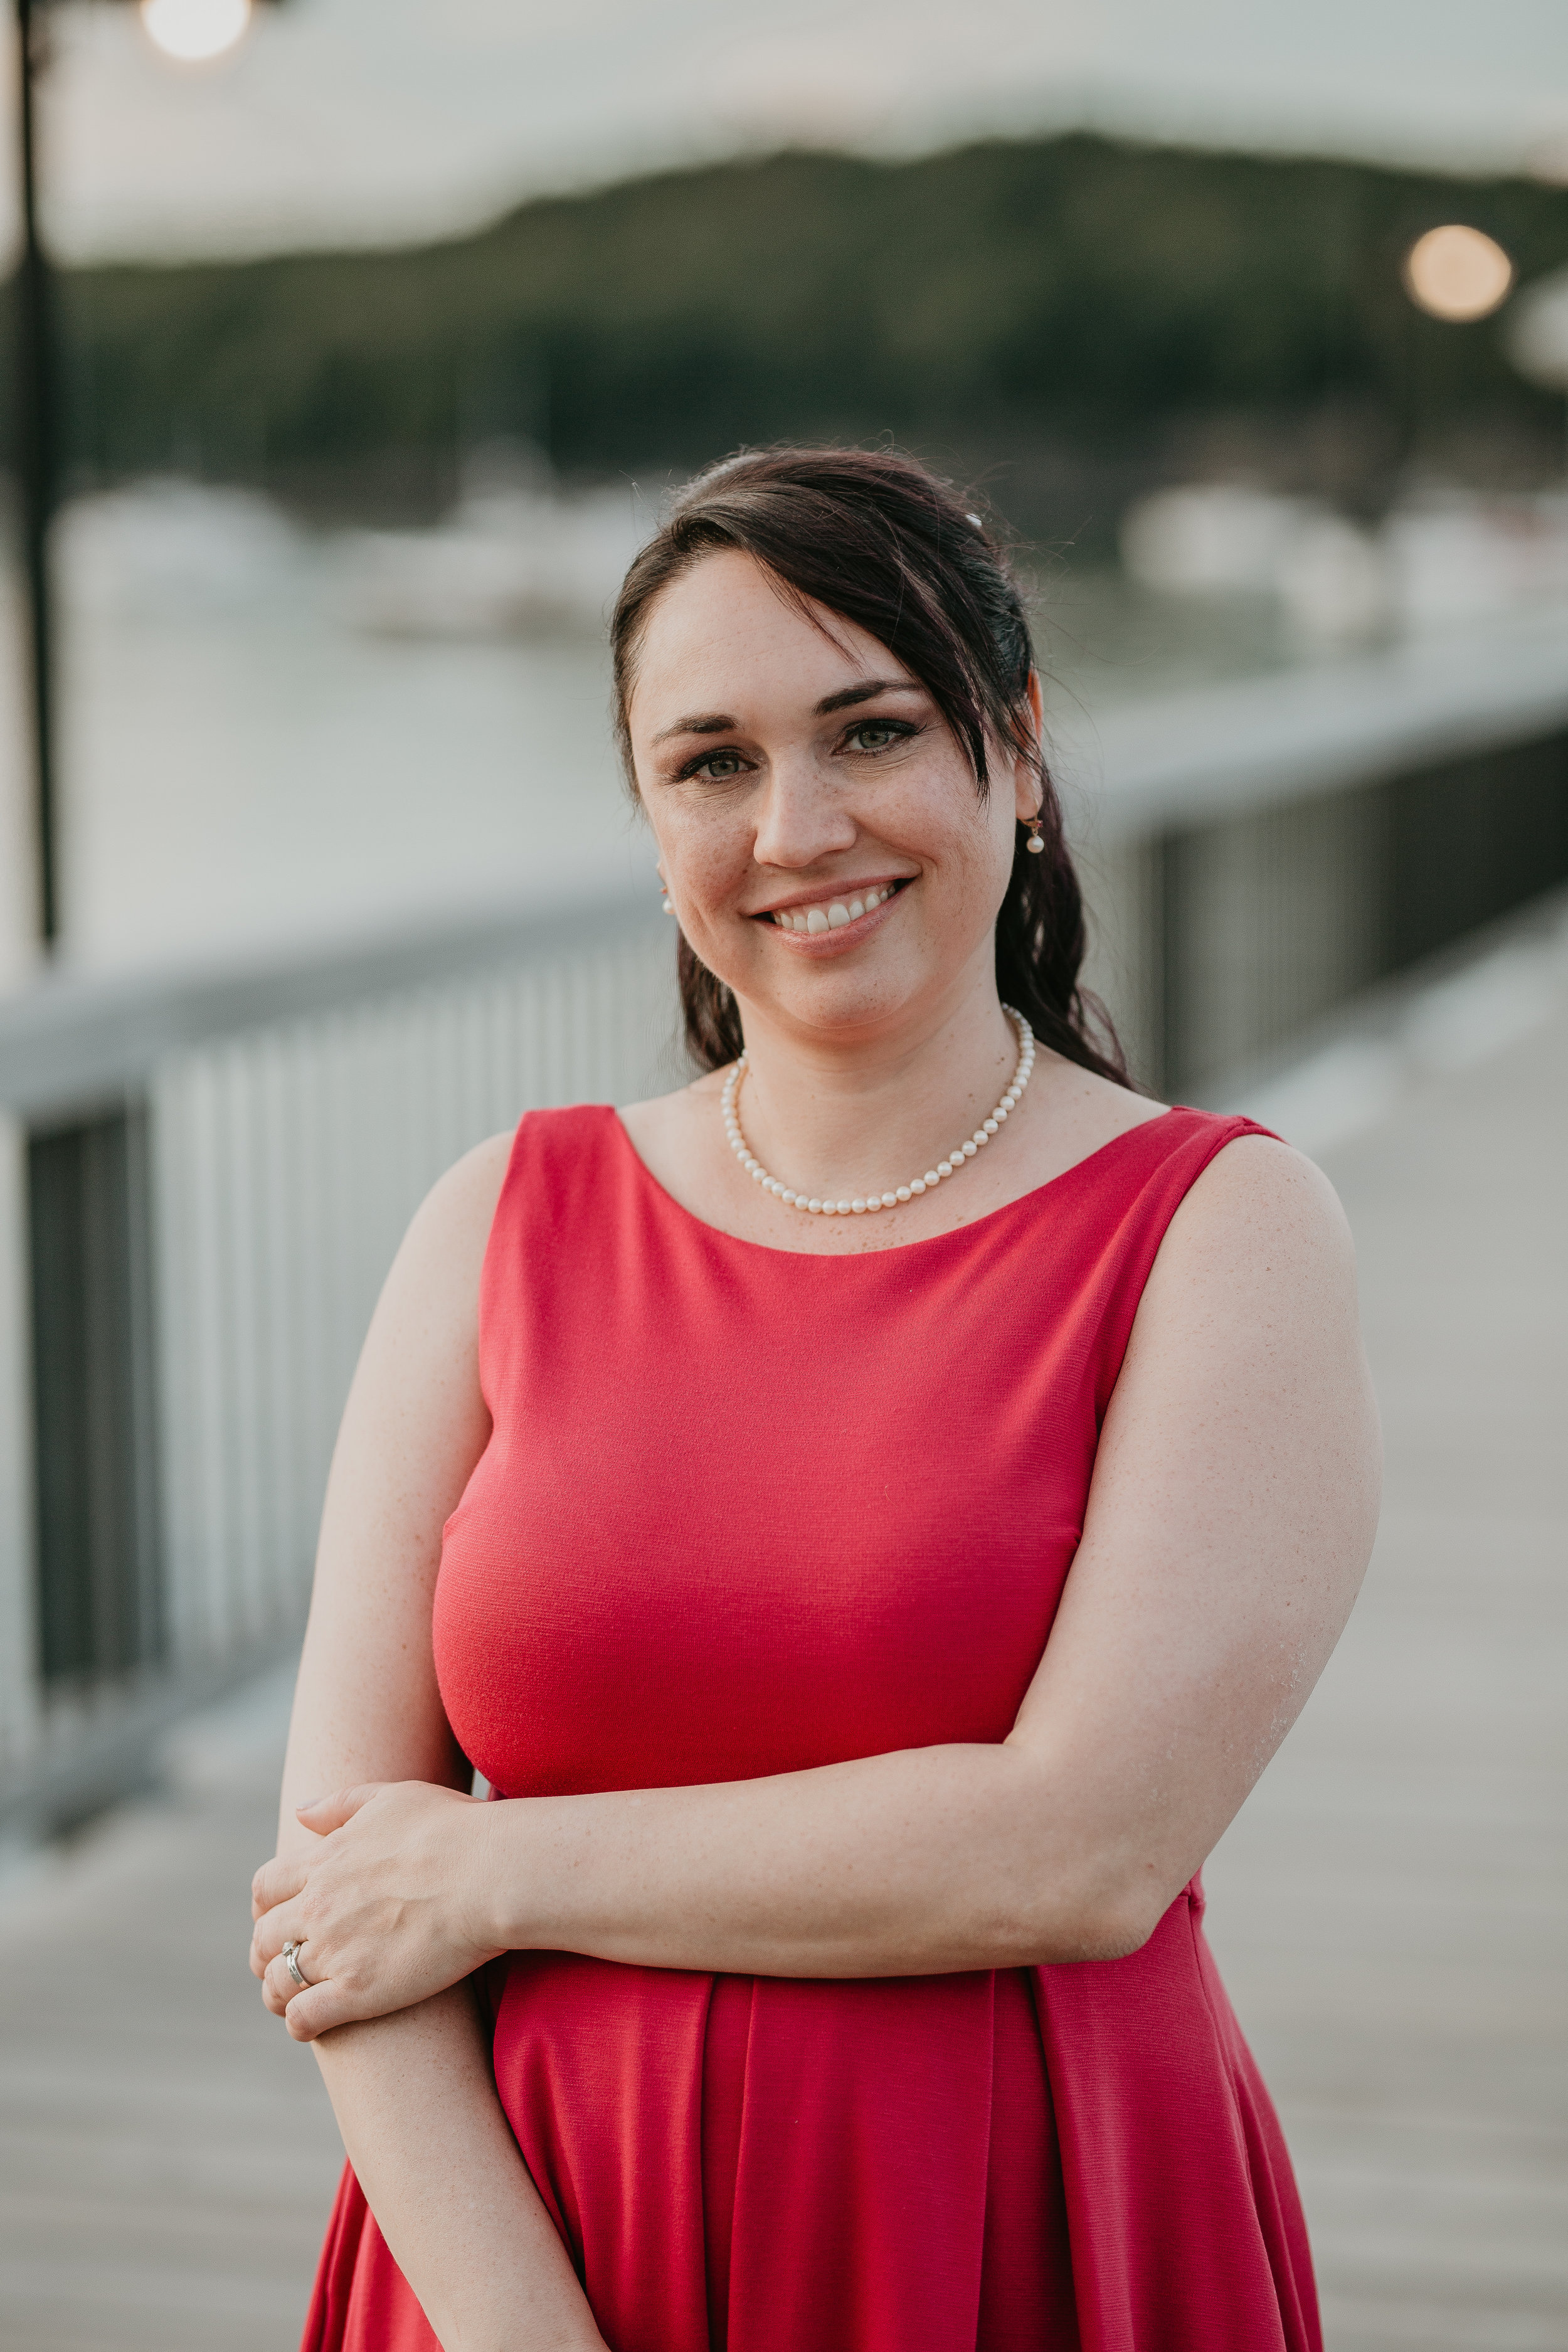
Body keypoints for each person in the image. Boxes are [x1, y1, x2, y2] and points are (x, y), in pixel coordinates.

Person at [250, 447, 1380, 2352]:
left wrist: (497, 1869)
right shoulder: (498, 1219)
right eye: (709, 763)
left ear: (1013, 753)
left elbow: (1082, 1849)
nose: (795, 827)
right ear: (648, 811)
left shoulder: (1218, 1231)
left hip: (1008, 2228)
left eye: (869, 732)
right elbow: (337, 1903)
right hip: (517, 2246)